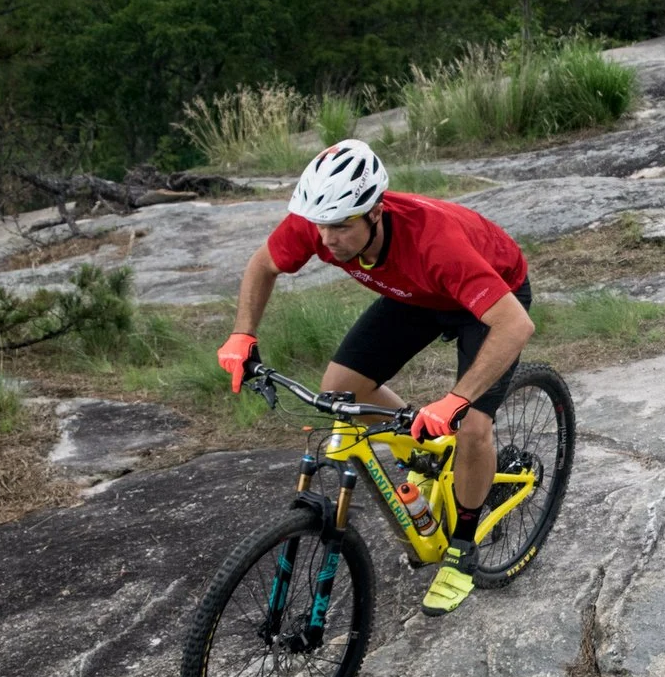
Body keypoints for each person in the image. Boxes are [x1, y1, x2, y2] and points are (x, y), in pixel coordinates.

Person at [216, 140, 535, 616]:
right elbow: (263, 264)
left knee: (471, 425)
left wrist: (454, 401)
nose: (328, 240)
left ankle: (462, 549)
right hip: (416, 296)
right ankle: (423, 448)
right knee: (338, 390)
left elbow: (515, 325)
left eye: (342, 227)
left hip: (489, 298)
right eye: (321, 226)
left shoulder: (435, 243)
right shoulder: (320, 222)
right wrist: (243, 334)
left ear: (377, 212)